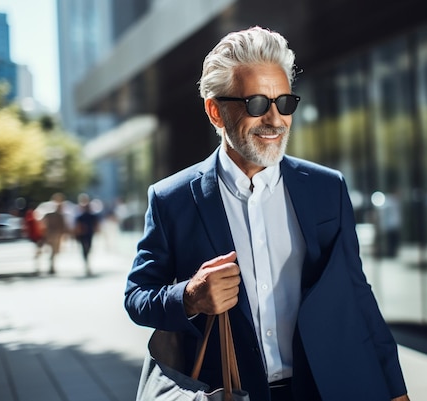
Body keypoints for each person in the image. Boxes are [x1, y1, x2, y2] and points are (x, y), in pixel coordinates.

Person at [124, 26, 410, 401]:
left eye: (285, 102)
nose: (275, 119)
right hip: (230, 391)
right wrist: (191, 296)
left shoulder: (327, 189)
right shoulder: (172, 199)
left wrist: (394, 389)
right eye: (257, 103)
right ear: (216, 111)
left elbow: (357, 296)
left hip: (327, 388)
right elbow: (137, 297)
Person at [74, 193, 99, 276]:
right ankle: (86, 264)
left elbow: (95, 223)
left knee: (88, 248)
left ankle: (87, 263)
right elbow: (77, 224)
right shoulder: (79, 214)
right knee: (84, 249)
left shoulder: (91, 213)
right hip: (82, 233)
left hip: (89, 233)